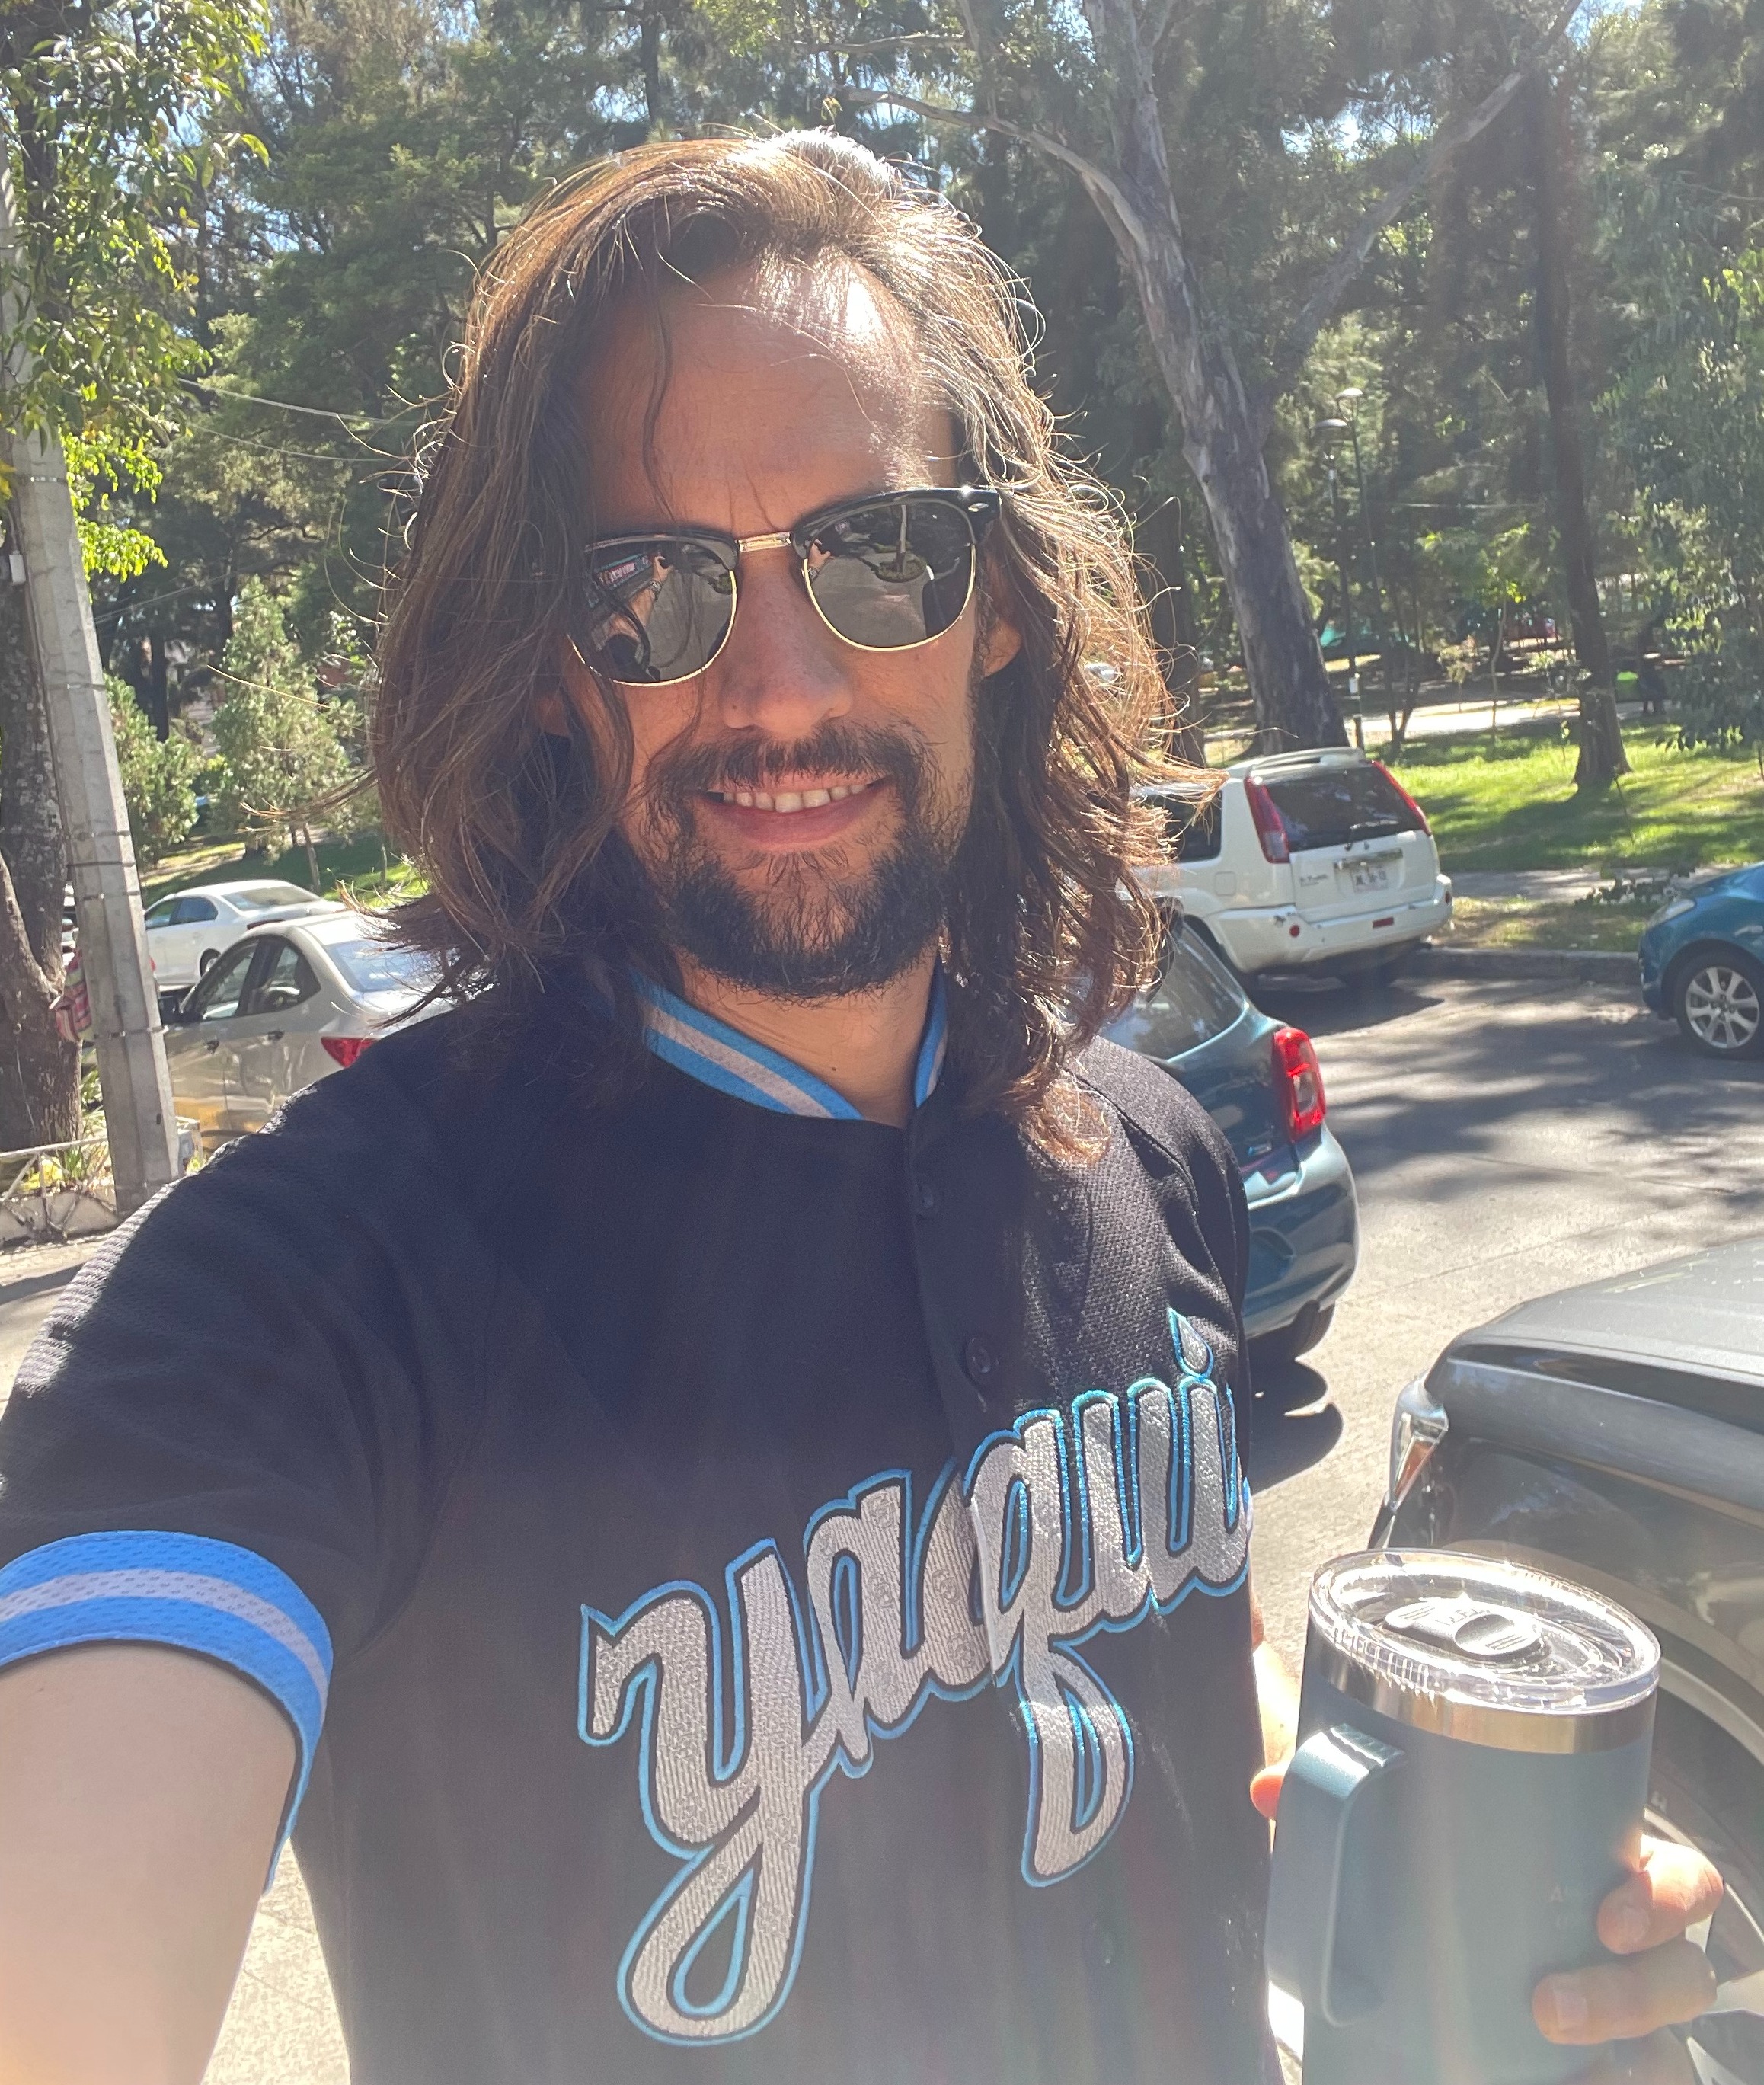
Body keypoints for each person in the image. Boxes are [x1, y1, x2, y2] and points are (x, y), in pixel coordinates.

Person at [0, 133, 1719, 2085]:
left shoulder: (1151, 1154)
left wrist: (1462, 1888)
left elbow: (1150, 1652)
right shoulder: (301, 1294)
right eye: (649, 590)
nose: (779, 684)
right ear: (556, 669)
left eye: (877, 550)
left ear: (997, 598)